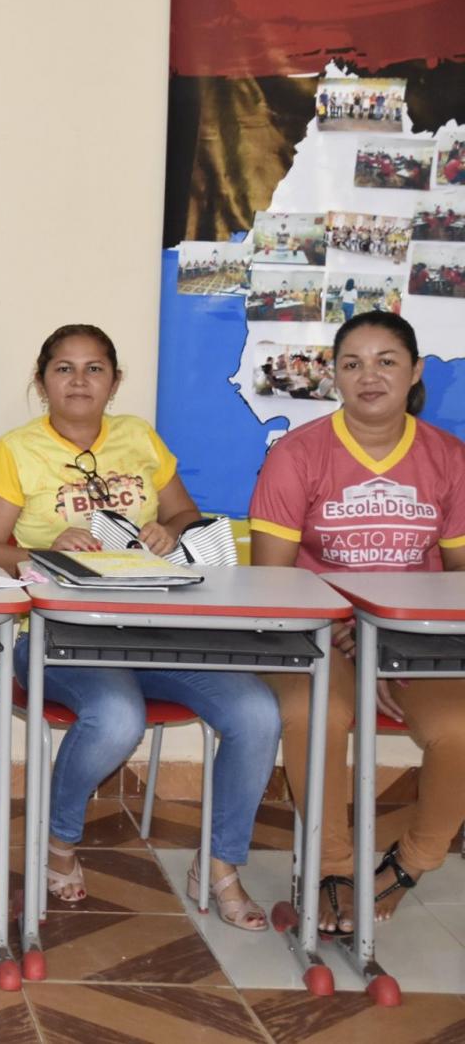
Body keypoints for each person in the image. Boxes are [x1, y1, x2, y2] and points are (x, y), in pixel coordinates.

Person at [0, 323, 280, 930]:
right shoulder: (15, 449)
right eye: (63, 368)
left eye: (93, 368)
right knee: (116, 716)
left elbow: (186, 511)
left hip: (157, 630)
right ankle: (58, 842)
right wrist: (45, 550)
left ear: (114, 380)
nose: (79, 381)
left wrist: (174, 529)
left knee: (257, 712)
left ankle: (217, 864)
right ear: (41, 380)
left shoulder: (139, 437)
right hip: (60, 635)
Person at [250, 311, 465, 934]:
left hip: (415, 639)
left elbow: (459, 585)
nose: (369, 376)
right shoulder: (296, 456)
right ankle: (332, 868)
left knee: (459, 725)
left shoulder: (449, 460)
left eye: (386, 361)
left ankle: (408, 865)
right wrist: (354, 632)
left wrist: (391, 640)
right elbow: (274, 585)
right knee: (316, 713)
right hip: (322, 635)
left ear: (416, 372)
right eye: (352, 363)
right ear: (334, 378)